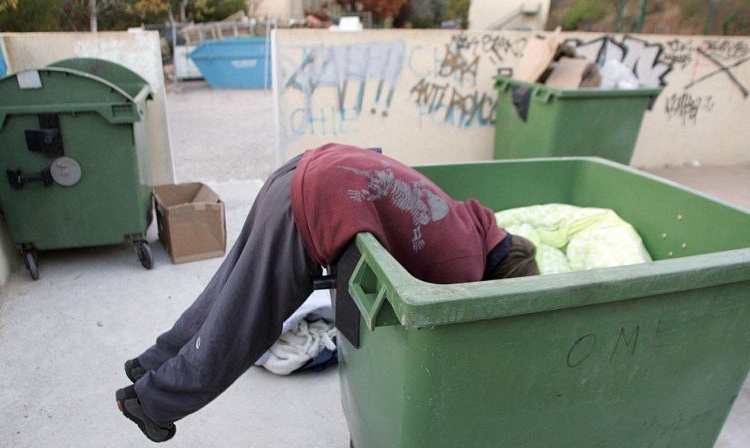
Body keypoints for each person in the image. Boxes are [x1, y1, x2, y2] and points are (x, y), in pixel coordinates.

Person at [115, 143, 539, 442]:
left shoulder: (467, 220)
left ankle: (149, 364)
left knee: (223, 293)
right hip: (316, 200)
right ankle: (151, 404)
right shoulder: (464, 266)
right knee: (246, 324)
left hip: (299, 173)